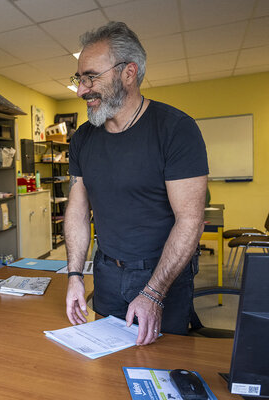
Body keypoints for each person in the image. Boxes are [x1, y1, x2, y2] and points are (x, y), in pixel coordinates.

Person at [63, 22, 208, 346]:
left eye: (90, 77)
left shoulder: (176, 130)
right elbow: (76, 210)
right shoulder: (83, 139)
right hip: (106, 273)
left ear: (129, 72)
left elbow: (190, 221)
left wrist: (154, 294)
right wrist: (74, 275)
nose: (81, 90)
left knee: (158, 370)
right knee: (106, 370)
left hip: (161, 277)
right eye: (79, 78)